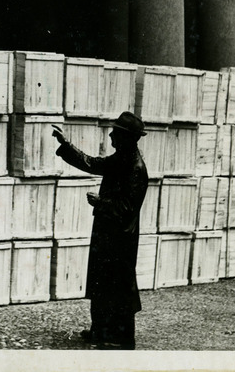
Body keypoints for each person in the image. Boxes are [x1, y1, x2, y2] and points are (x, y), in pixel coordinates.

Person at [51, 110, 149, 350]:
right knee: (101, 282)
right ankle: (101, 330)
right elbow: (93, 164)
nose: (111, 135)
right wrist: (66, 145)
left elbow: (128, 208)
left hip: (120, 236)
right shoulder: (121, 158)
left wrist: (100, 203)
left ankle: (123, 338)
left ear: (126, 137)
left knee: (119, 286)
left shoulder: (135, 167)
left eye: (115, 132)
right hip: (108, 232)